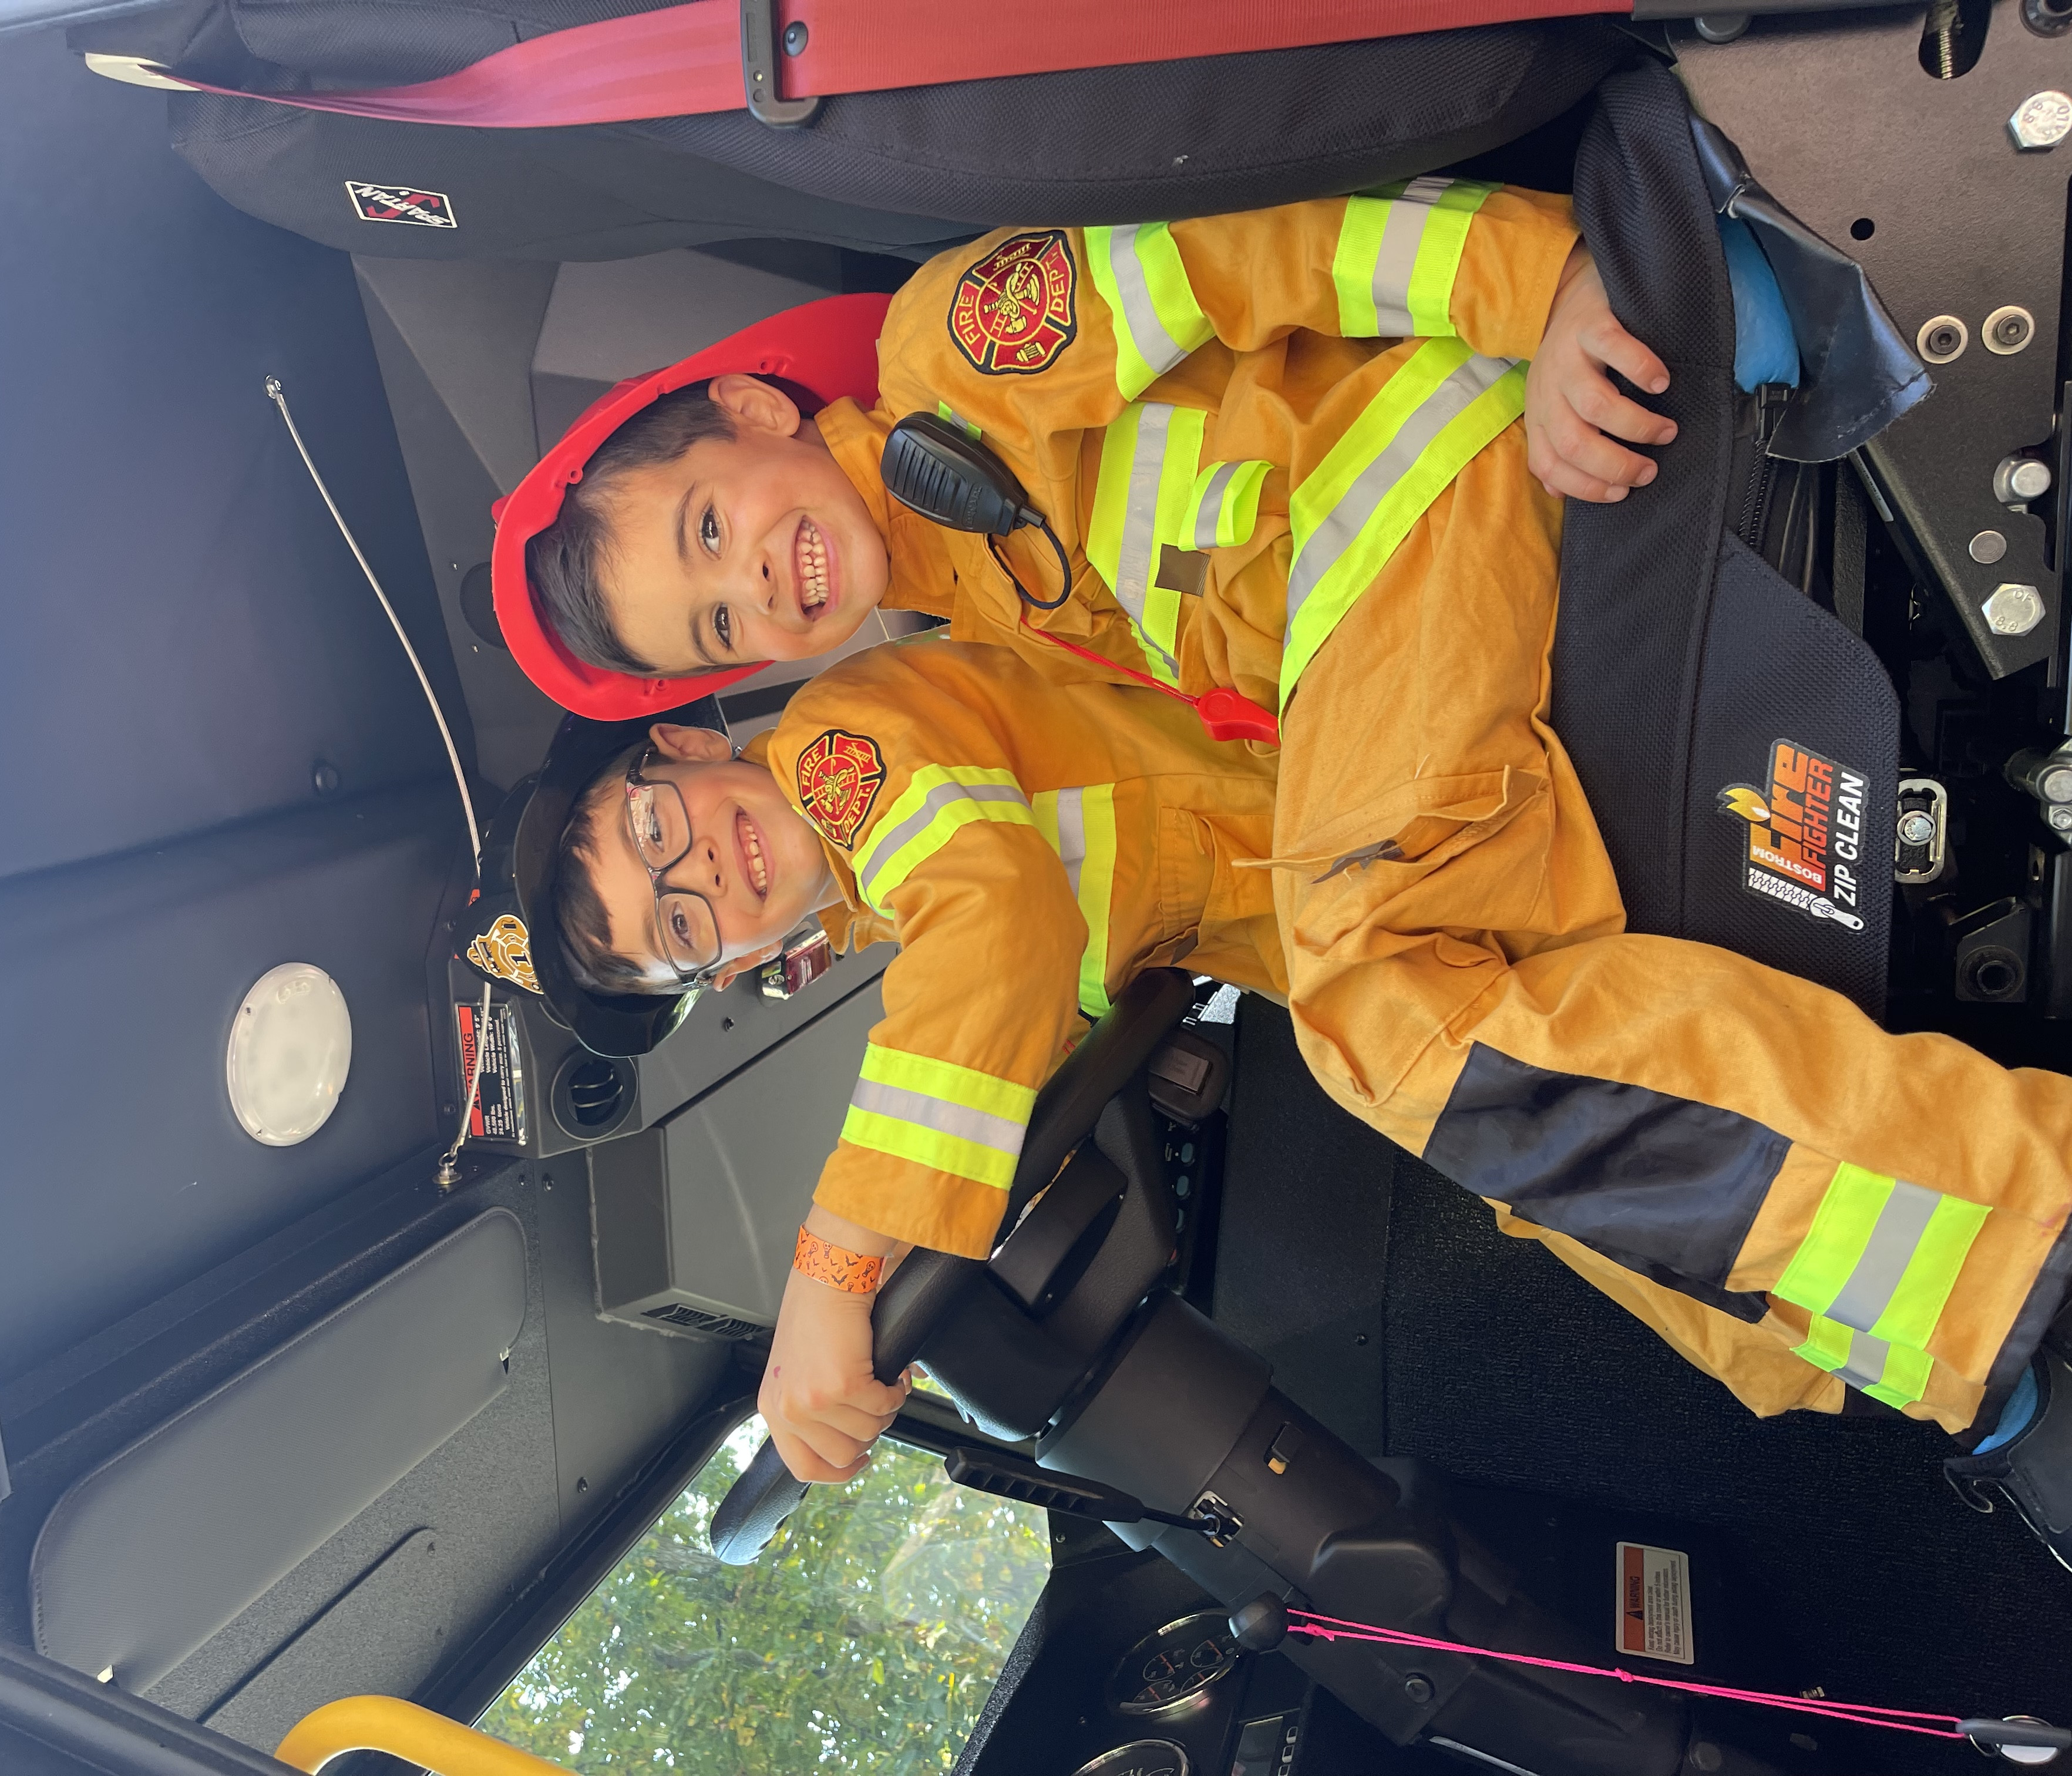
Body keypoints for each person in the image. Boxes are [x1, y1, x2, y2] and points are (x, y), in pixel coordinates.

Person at [476, 628, 2072, 1572]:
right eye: (684, 924)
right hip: (1356, 874)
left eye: (660, 834)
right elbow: (1031, 943)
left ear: (682, 747)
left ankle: (2011, 1260)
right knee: (1553, 1189)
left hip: (1381, 806)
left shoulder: (843, 749)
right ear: (744, 962)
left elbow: (1007, 921)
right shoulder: (883, 889)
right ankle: (1954, 1363)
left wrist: (836, 1263)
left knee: (1444, 1076)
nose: (706, 873)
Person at [486, 184, 1675, 730]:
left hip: (1423, 477)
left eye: (706, 531)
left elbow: (1251, 243)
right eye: (719, 633)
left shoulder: (949, 352)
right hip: (1406, 633)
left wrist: (1539, 285)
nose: (748, 587)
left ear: (752, 409)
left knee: (1380, 988)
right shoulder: (975, 617)